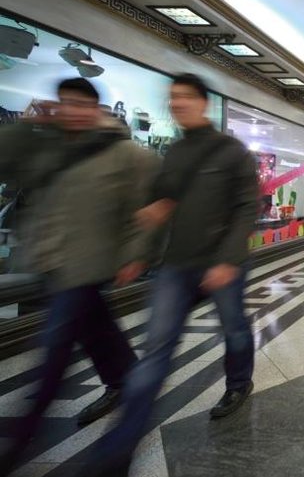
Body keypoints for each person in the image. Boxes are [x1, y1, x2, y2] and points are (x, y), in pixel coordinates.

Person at [85, 73, 260, 477]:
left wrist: (228, 259)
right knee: (156, 351)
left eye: (184, 97)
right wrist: (140, 254)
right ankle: (117, 451)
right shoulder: (176, 153)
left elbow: (247, 208)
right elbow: (160, 209)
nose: (177, 104)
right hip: (176, 265)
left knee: (233, 328)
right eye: (172, 98)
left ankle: (238, 382)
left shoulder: (233, 152)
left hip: (222, 263)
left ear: (202, 102)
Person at [0, 79, 157, 475]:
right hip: (51, 264)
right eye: (66, 103)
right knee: (99, 332)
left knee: (54, 354)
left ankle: (18, 442)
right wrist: (29, 122)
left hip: (87, 266)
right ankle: (132, 381)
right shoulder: (51, 146)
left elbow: (144, 205)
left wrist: (135, 254)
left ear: (95, 109)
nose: (73, 111)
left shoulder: (121, 153)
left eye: (82, 105)